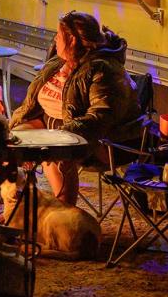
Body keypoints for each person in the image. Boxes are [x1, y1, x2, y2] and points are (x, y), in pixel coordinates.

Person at [9, 11, 142, 205]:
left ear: (71, 40)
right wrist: (18, 121)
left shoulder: (104, 69)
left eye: (58, 35)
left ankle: (64, 213)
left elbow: (100, 117)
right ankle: (16, 211)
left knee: (56, 150)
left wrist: (59, 135)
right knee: (8, 146)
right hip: (46, 123)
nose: (55, 39)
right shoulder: (57, 62)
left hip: (100, 140)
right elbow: (32, 101)